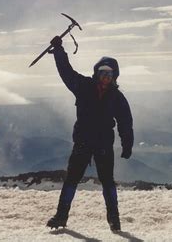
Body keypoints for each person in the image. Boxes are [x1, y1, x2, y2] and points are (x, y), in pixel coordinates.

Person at [46, 35, 134, 231]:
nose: (106, 77)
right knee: (72, 179)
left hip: (102, 144)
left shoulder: (117, 97)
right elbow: (66, 72)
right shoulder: (83, 86)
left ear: (115, 77)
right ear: (97, 73)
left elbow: (126, 122)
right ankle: (61, 217)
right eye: (103, 73)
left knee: (107, 182)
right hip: (84, 142)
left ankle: (114, 220)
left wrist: (127, 144)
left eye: (110, 74)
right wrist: (59, 51)